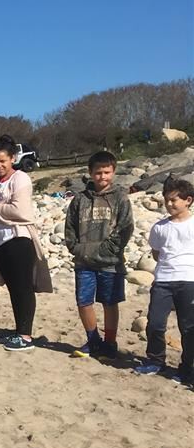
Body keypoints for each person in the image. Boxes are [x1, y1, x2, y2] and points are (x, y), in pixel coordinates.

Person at [0, 140, 53, 351]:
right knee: (13, 288)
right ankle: (19, 330)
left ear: (13, 159)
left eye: (3, 161)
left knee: (23, 287)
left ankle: (25, 335)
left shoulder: (20, 179)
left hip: (18, 240)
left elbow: (20, 212)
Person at [63, 150, 134, 360]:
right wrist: (76, 248)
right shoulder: (79, 199)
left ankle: (110, 343)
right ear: (90, 173)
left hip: (110, 263)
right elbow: (70, 228)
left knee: (109, 302)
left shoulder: (120, 197)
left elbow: (125, 228)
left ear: (113, 172)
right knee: (84, 302)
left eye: (106, 172)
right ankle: (93, 341)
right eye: (98, 173)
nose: (102, 177)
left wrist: (107, 250)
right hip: (83, 261)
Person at [134, 177, 194, 385]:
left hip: (189, 281)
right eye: (167, 200)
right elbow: (157, 253)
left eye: (174, 200)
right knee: (156, 323)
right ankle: (155, 360)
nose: (169, 204)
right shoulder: (160, 227)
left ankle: (187, 367)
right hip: (163, 280)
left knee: (188, 327)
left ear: (188, 200)